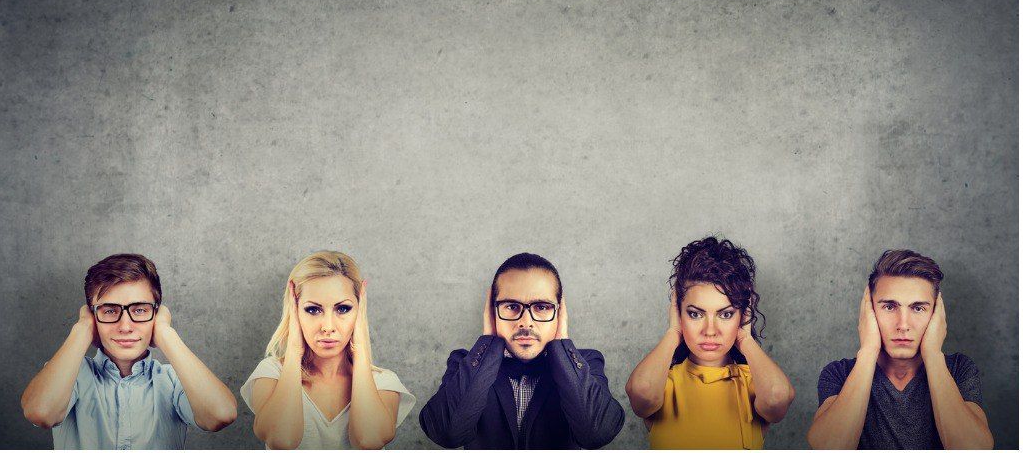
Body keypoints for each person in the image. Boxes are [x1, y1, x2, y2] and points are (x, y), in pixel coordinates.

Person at [20, 253, 237, 449]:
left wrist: (166, 333)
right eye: (110, 310)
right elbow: (41, 412)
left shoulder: (173, 380)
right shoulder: (71, 374)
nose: (125, 326)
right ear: (92, 316)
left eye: (140, 310)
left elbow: (220, 415)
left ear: (156, 313)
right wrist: (82, 329)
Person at [418, 252, 624, 449]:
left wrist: (562, 343)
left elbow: (598, 433)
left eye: (542, 307)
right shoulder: (465, 362)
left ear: (559, 313)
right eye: (511, 306)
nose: (526, 322)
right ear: (492, 311)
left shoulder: (586, 362)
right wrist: (488, 341)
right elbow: (445, 433)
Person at [807, 249, 993, 449]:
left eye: (918, 308)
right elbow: (828, 447)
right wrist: (869, 350)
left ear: (936, 315)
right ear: (868, 311)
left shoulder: (958, 369)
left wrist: (933, 354)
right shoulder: (839, 373)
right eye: (889, 307)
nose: (903, 324)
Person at [625, 237, 794, 449]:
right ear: (678, 313)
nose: (710, 331)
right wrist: (673, 333)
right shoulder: (664, 384)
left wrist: (745, 339)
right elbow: (642, 391)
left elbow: (778, 397)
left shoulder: (754, 384)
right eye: (695, 314)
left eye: (726, 314)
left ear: (743, 316)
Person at [240, 250, 415, 449]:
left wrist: (360, 347)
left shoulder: (383, 382)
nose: (327, 326)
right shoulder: (272, 373)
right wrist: (294, 350)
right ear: (295, 311)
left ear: (359, 310)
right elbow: (282, 440)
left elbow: (368, 440)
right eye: (313, 310)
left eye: (343, 309)